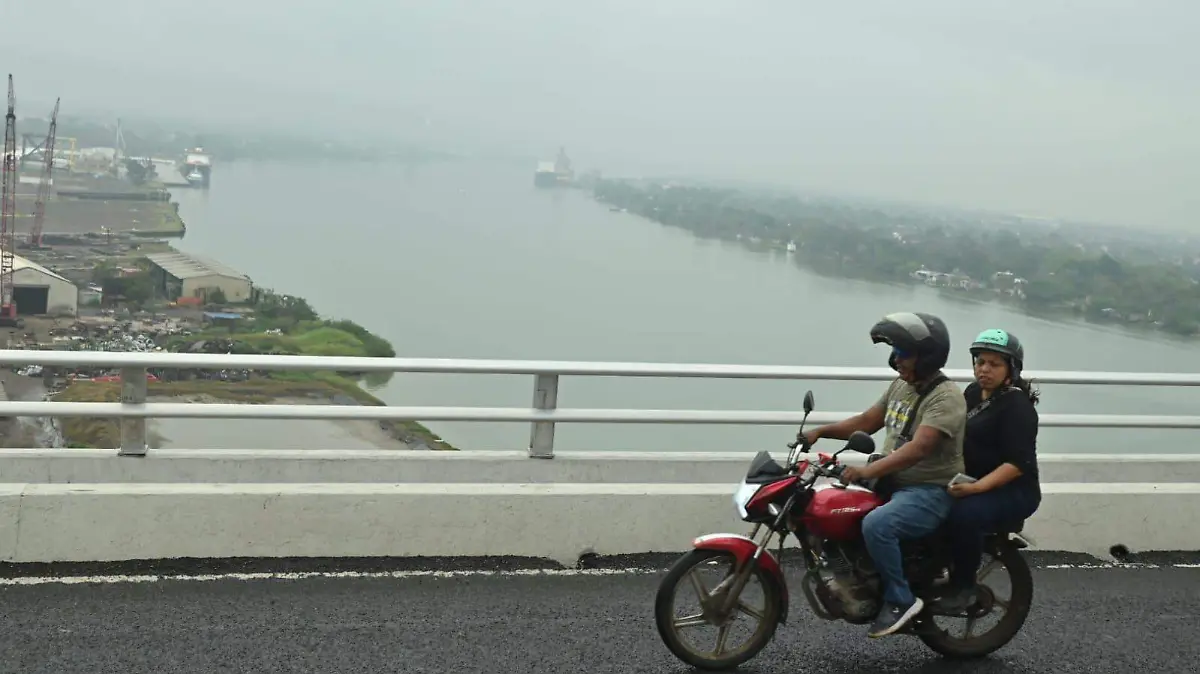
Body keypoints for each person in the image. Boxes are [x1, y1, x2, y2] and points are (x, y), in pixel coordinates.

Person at [802, 311, 966, 638]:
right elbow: (866, 422)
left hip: (929, 491)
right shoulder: (901, 386)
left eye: (903, 353)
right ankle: (859, 576)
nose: (896, 360)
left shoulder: (946, 398)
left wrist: (866, 470)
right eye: (895, 353)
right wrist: (819, 432)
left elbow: (918, 449)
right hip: (892, 483)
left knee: (877, 525)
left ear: (927, 356)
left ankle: (900, 599)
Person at [934, 328, 1041, 614]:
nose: (984, 369)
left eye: (994, 364)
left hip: (1013, 491)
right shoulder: (972, 393)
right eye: (980, 362)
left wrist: (975, 489)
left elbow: (1017, 464)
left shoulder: (1017, 407)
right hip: (974, 480)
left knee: (964, 515)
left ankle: (964, 587)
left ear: (1011, 369)